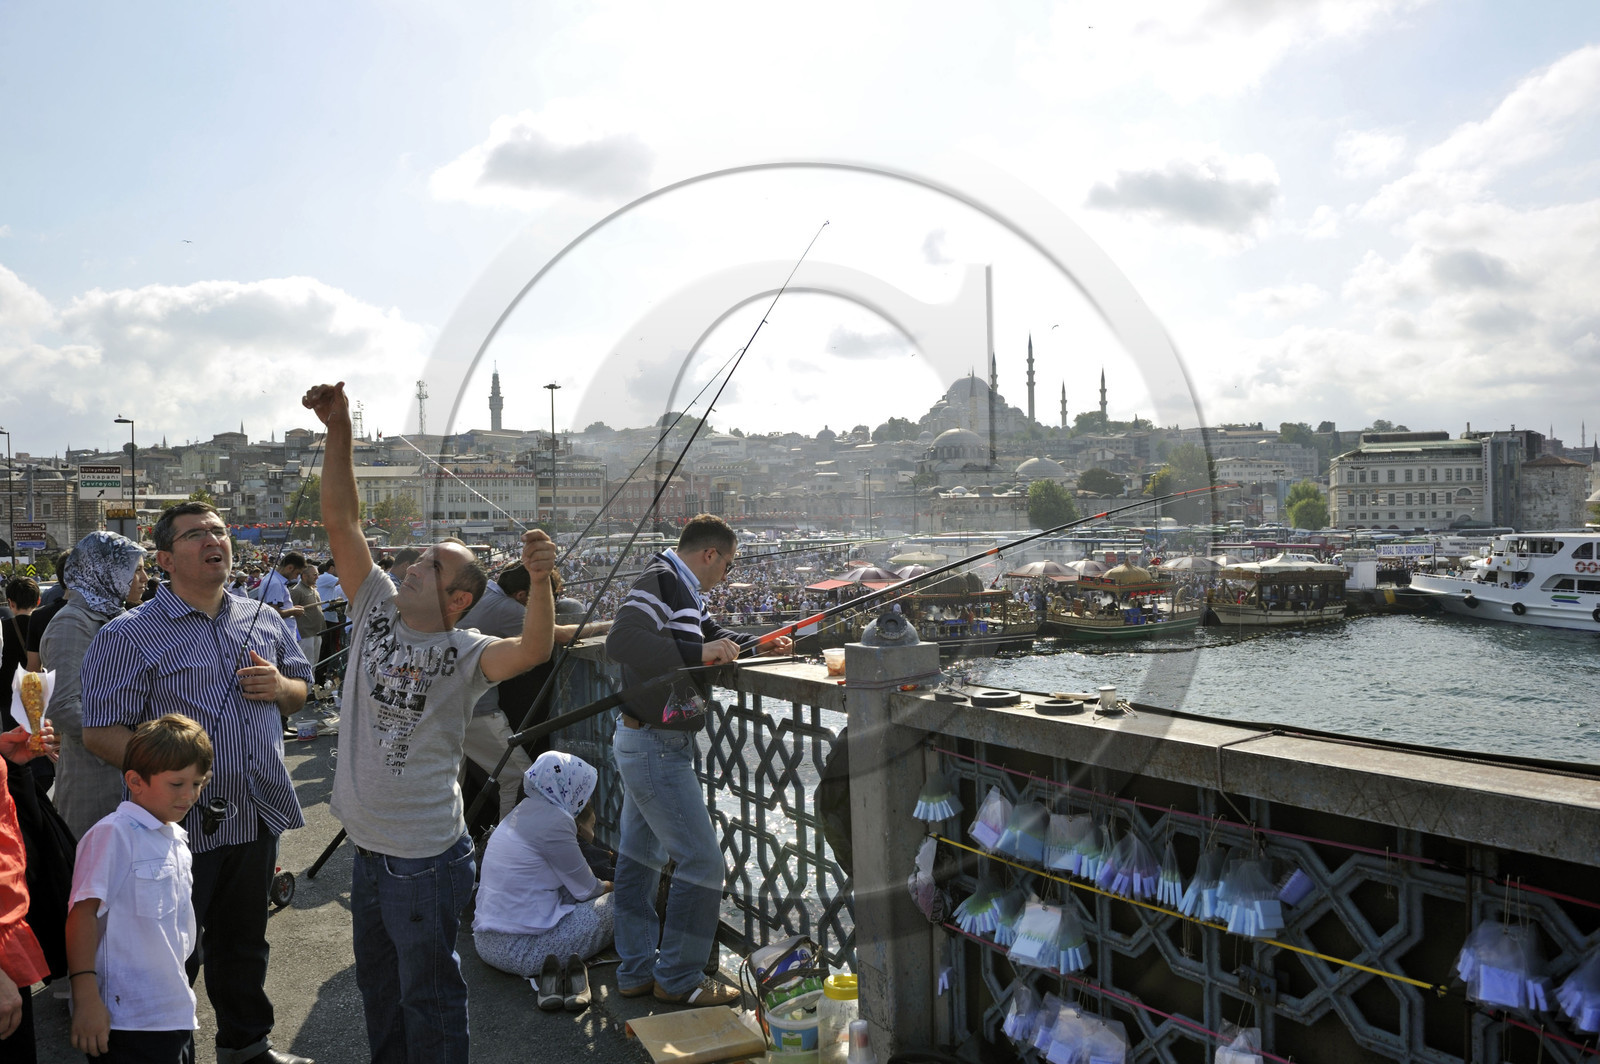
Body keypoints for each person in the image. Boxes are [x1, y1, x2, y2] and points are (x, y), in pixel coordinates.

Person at [304, 380, 557, 1064]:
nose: (412, 566)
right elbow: (343, 524)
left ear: (460, 599)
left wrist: (538, 582)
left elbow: (533, 650)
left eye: (431, 565)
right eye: (418, 558)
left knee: (431, 993)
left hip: (423, 860)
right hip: (368, 845)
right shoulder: (377, 607)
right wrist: (339, 433)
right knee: (380, 987)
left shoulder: (465, 651)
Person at [80, 501, 314, 1064]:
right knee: (169, 952)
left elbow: (303, 689)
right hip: (173, 827)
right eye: (195, 534)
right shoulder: (128, 634)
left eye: (219, 530)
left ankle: (245, 1046)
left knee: (244, 942)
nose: (214, 539)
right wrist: (171, 785)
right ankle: (165, 1049)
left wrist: (280, 685)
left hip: (254, 813)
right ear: (164, 558)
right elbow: (99, 732)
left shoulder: (263, 618)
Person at [605, 514, 791, 1006]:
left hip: (645, 740)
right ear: (709, 554)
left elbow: (712, 638)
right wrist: (700, 649)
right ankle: (680, 980)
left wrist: (761, 642)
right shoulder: (661, 581)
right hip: (654, 746)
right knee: (703, 864)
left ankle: (637, 970)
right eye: (727, 565)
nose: (725, 575)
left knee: (639, 861)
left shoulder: (686, 593)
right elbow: (621, 641)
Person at [66, 714, 213, 1064]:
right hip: (127, 1021)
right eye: (177, 784)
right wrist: (86, 998)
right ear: (135, 781)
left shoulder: (175, 836)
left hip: (172, 1010)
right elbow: (81, 915)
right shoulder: (113, 835)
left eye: (198, 783)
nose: (189, 795)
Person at [472, 753, 613, 997]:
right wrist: (616, 886)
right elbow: (589, 890)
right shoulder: (556, 821)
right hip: (521, 951)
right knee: (622, 904)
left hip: (485, 942)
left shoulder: (522, 810)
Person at [41, 531, 150, 839]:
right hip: (96, 778)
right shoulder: (72, 622)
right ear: (108, 571)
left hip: (127, 771)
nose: (144, 577)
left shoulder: (116, 616)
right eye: (136, 569)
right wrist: (127, 743)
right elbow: (62, 706)